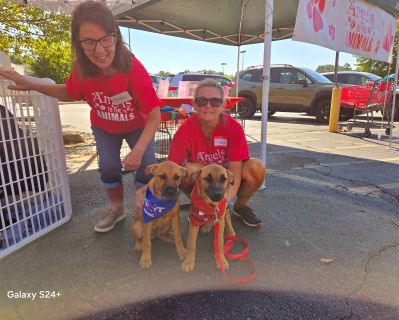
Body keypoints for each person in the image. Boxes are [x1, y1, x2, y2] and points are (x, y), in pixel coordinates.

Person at [0, 1, 161, 233]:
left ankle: (144, 208)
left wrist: (137, 151)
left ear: (115, 35)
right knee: (108, 166)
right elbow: (69, 92)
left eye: (106, 38)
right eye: (89, 42)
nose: (99, 49)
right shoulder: (81, 69)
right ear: (78, 43)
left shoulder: (133, 69)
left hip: (138, 126)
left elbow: (154, 115)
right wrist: (30, 84)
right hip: (105, 127)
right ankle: (116, 209)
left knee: (146, 163)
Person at [167, 78, 265, 228]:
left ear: (223, 104)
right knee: (188, 170)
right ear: (194, 104)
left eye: (215, 101)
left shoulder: (234, 128)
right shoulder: (185, 129)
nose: (208, 106)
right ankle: (199, 208)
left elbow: (235, 172)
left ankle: (240, 207)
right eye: (201, 101)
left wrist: (224, 204)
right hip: (201, 182)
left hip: (225, 181)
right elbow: (172, 169)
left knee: (256, 167)